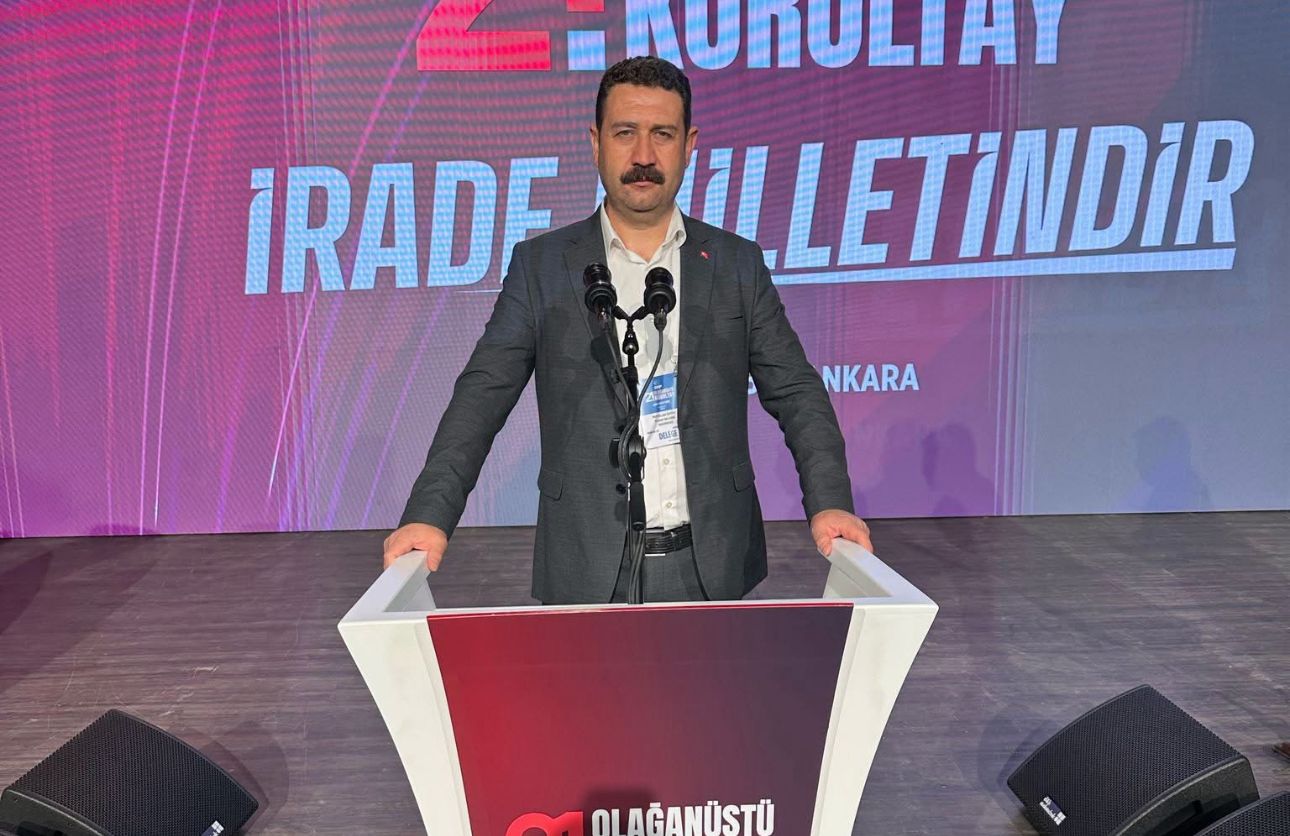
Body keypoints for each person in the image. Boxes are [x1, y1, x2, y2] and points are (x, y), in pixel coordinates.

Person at [383, 56, 871, 604]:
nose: (643, 155)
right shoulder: (542, 267)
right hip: (587, 564)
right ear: (596, 143)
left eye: (662, 134)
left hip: (711, 562)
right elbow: (482, 394)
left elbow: (797, 391)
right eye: (624, 133)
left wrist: (831, 501)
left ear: (689, 145)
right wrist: (429, 513)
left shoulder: (736, 264)